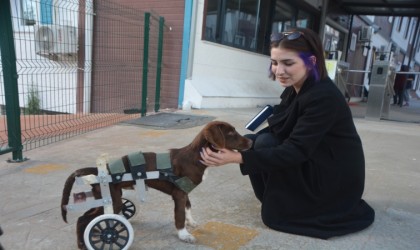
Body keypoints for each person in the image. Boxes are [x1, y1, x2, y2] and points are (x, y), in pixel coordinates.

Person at [200, 28, 375, 239]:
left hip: (333, 178)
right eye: (275, 62)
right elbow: (277, 130)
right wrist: (235, 144)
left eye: (288, 63)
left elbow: (296, 150)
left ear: (311, 61)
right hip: (317, 159)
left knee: (263, 150)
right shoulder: (297, 88)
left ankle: (289, 207)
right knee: (260, 141)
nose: (279, 70)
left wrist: (237, 157)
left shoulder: (323, 97)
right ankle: (279, 201)